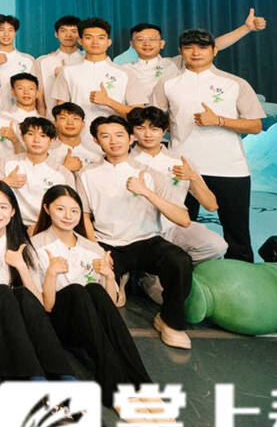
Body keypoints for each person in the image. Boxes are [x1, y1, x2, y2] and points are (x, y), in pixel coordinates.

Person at [31, 185, 152, 407]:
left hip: (90, 325)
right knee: (77, 291)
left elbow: (110, 305)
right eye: (60, 209)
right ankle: (114, 389)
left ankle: (142, 384)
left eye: (74, 211)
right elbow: (45, 306)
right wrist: (51, 274)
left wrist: (108, 276)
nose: (68, 216)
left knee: (95, 290)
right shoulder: (36, 246)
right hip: (58, 324)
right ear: (47, 209)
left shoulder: (92, 248)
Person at [80, 116, 195, 350]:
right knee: (106, 302)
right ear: (95, 141)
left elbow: (183, 219)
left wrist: (146, 192)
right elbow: (84, 216)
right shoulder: (86, 174)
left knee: (179, 261)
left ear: (131, 138)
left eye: (119, 135)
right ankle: (119, 279)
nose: (114, 141)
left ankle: (170, 321)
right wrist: (95, 249)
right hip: (107, 243)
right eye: (105, 136)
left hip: (146, 241)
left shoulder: (150, 173)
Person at [150, 28, 265, 263]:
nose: (196, 52)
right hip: (181, 167)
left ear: (214, 51)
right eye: (189, 48)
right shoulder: (167, 83)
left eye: (203, 47)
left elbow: (255, 125)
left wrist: (219, 121)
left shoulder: (235, 83)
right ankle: (179, 275)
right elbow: (154, 121)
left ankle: (241, 277)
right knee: (178, 229)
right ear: (181, 51)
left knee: (237, 233)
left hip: (229, 168)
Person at [0, 180, 74, 381]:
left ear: (12, 212)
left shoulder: (20, 242)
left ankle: (63, 373)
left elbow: (38, 303)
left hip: (11, 320)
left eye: (3, 207)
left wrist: (21, 266)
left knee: (21, 294)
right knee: (2, 291)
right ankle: (33, 377)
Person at [127, 106, 227, 265]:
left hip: (175, 226)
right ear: (132, 131)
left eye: (154, 129)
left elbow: (211, 205)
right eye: (140, 128)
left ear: (164, 131)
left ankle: (178, 268)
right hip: (140, 231)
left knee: (217, 246)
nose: (147, 134)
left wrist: (193, 177)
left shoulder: (180, 161)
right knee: (155, 280)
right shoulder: (125, 161)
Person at [123, 11, 265, 106]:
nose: (147, 44)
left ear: (162, 43)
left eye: (153, 39)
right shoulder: (123, 69)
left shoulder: (174, 63)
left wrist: (246, 28)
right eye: (140, 39)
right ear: (132, 44)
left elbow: (213, 45)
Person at [52, 18, 134, 139]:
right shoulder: (67, 71)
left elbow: (137, 115)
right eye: (89, 37)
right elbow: (61, 112)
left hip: (114, 140)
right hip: (77, 139)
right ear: (80, 41)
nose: (95, 42)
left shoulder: (125, 73)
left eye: (101, 38)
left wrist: (108, 101)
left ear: (109, 42)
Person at [0, 116, 76, 226]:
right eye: (30, 134)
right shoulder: (6, 163)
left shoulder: (63, 174)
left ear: (52, 140)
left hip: (48, 226)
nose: (36, 140)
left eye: (43, 136)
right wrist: (5, 182)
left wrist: (41, 228)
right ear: (22, 137)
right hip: (10, 224)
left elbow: (69, 208)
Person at [0, 14, 38, 113]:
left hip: (22, 113)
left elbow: (35, 90)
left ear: (15, 32)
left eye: (10, 30)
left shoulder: (28, 60)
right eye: (1, 30)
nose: (6, 34)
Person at [35, 15, 84, 102]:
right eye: (63, 31)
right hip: (51, 110)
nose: (68, 35)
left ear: (80, 35)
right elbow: (38, 92)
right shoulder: (43, 61)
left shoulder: (86, 60)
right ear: (56, 34)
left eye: (74, 31)